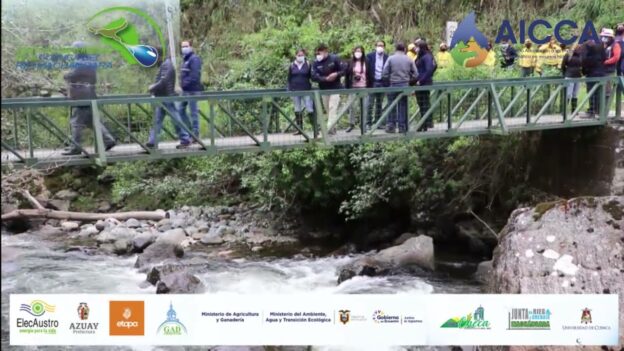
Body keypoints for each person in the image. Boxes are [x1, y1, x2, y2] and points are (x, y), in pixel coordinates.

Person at [62, 41, 116, 156]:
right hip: (88, 95)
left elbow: (72, 75)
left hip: (82, 96)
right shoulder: (89, 61)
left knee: (76, 122)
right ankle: (109, 140)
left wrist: (66, 74)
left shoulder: (82, 63)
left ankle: (76, 148)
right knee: (93, 122)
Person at [146, 47, 191, 148]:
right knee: (157, 120)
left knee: (175, 119)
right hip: (162, 97)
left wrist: (152, 87)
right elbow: (162, 81)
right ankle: (153, 141)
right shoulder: (165, 64)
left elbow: (164, 81)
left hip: (167, 98)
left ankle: (185, 139)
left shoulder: (167, 65)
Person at [382, 42, 417, 134]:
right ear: (404, 49)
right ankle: (402, 126)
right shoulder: (409, 59)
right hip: (405, 85)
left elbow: (384, 73)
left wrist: (389, 79)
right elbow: (416, 74)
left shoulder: (391, 58)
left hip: (393, 84)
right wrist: (409, 80)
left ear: (395, 49)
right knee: (403, 105)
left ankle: (391, 126)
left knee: (391, 105)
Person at [311, 43, 345, 135]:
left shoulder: (334, 58)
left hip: (335, 88)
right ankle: (333, 128)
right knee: (327, 109)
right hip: (324, 89)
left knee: (332, 107)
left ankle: (328, 129)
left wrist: (336, 74)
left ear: (326, 51)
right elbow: (313, 76)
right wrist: (325, 78)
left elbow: (344, 70)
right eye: (317, 53)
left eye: (320, 52)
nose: (318, 55)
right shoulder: (315, 62)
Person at [177, 40, 203, 140]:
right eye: (182, 46)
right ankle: (190, 131)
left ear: (191, 47)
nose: (184, 48)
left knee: (193, 113)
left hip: (193, 90)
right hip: (185, 91)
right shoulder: (185, 60)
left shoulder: (194, 59)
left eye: (186, 46)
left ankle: (195, 135)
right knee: (180, 110)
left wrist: (183, 85)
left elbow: (195, 76)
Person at [287, 48, 315, 135]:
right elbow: (289, 78)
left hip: (306, 90)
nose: (300, 57)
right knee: (297, 109)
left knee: (309, 108)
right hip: (295, 90)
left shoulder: (308, 64)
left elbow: (312, 77)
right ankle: (299, 129)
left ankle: (315, 128)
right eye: (299, 55)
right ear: (296, 56)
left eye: (302, 55)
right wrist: (289, 89)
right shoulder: (292, 65)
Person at [345, 46, 371, 132]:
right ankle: (351, 124)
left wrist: (370, 86)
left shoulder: (366, 61)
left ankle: (363, 125)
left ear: (363, 52)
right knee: (352, 107)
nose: (358, 53)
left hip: (364, 87)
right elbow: (347, 75)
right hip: (353, 87)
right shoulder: (350, 61)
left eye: (360, 51)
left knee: (364, 107)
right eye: (356, 51)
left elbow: (370, 74)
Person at [365, 40, 389, 130]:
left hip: (382, 82)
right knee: (370, 103)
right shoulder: (369, 56)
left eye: (382, 45)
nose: (380, 47)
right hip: (373, 82)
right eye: (379, 45)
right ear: (375, 46)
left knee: (379, 104)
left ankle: (378, 122)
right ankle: (368, 123)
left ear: (384, 47)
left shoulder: (387, 57)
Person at [414, 40, 436, 131]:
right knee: (422, 103)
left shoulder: (427, 56)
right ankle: (425, 123)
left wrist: (421, 80)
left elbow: (430, 69)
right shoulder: (420, 56)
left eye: (417, 46)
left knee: (424, 103)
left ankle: (425, 123)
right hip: (419, 83)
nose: (416, 48)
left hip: (423, 84)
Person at [581, 40, 606, 118]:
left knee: (591, 93)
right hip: (601, 72)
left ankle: (592, 111)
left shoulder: (587, 49)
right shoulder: (601, 47)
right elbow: (604, 58)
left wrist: (584, 71)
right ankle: (599, 111)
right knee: (599, 92)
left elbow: (584, 61)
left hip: (592, 73)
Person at [600, 28, 622, 104]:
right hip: (601, 70)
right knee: (600, 90)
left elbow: (616, 57)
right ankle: (599, 110)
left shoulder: (615, 45)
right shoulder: (603, 45)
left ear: (610, 37)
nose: (604, 38)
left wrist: (606, 62)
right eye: (603, 36)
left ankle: (605, 110)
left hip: (609, 71)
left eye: (606, 36)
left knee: (607, 90)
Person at [561, 44, 583, 113]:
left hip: (578, 76)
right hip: (569, 76)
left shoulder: (581, 55)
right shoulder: (568, 55)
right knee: (568, 94)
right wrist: (565, 74)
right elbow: (563, 65)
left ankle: (574, 111)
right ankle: (564, 111)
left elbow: (583, 65)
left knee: (575, 94)